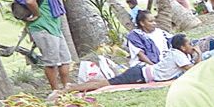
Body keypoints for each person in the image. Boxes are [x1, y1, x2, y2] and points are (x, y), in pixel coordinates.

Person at [65, 32, 197, 93]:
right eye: (190, 44)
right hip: (139, 75)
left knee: (107, 81)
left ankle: (74, 86)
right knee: (105, 84)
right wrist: (199, 54)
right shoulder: (178, 55)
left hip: (141, 71)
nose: (192, 46)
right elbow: (196, 70)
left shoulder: (178, 53)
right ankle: (71, 88)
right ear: (182, 47)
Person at [21, 0, 72, 91]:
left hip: (54, 29)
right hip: (44, 29)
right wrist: (37, 14)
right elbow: (30, 1)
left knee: (65, 60)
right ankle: (55, 90)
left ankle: (67, 88)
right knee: (51, 63)